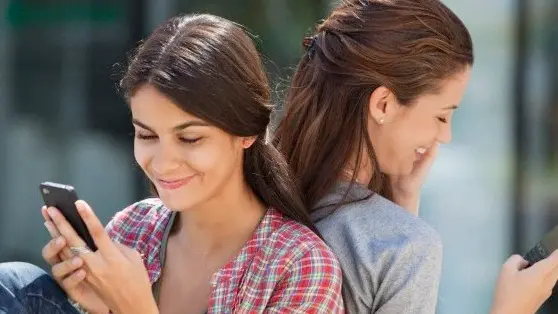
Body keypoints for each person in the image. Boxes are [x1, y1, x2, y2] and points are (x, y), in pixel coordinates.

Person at [0, 14, 344, 314]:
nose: (163, 163)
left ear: (248, 132)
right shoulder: (134, 229)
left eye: (190, 138)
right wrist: (95, 307)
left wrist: (134, 307)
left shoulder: (298, 265)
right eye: (147, 136)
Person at [273, 0, 558, 313]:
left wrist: (402, 204)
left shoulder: (267, 205)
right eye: (441, 116)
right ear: (383, 105)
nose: (446, 136)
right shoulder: (402, 248)